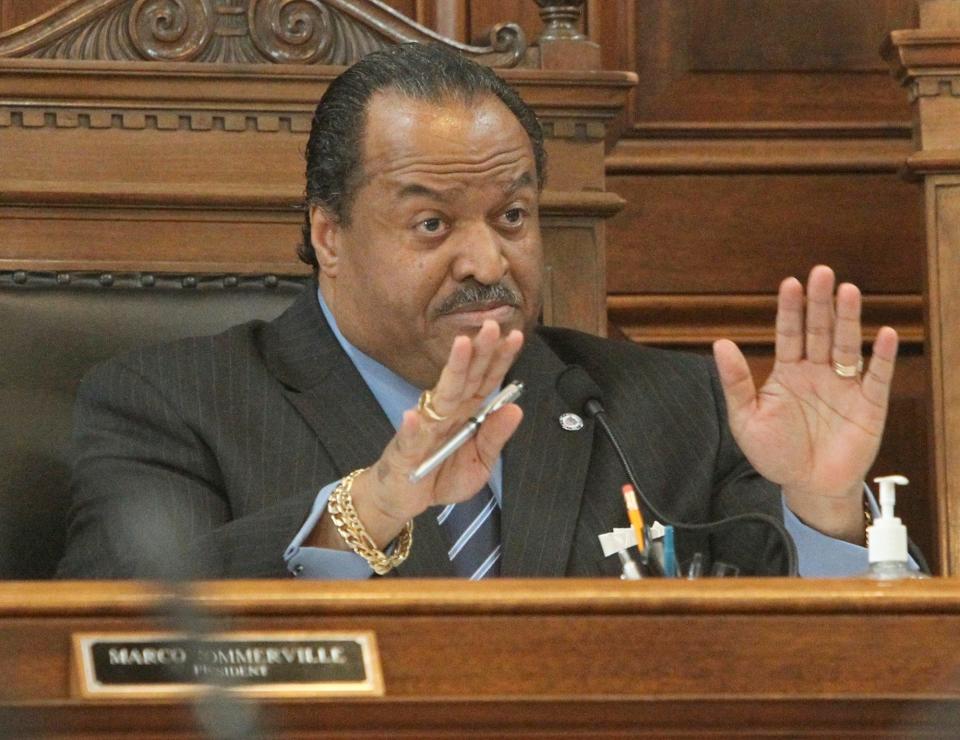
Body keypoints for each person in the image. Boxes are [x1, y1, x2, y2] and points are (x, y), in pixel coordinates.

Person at [57, 44, 900, 580]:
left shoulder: (671, 410)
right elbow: (109, 643)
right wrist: (372, 506)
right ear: (330, 234)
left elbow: (841, 668)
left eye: (512, 217)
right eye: (432, 223)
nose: (489, 263)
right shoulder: (167, 404)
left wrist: (826, 512)